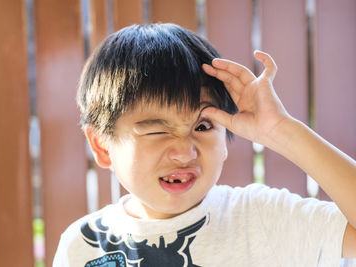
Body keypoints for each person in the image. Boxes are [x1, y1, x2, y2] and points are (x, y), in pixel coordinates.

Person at [53, 23, 356, 266]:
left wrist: (282, 131)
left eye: (203, 126)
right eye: (158, 131)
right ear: (102, 145)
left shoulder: (262, 217)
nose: (185, 152)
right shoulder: (82, 247)